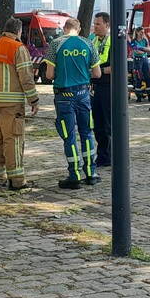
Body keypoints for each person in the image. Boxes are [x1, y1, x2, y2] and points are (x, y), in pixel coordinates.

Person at [0, 17, 39, 189]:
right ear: (19, 31)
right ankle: (17, 181)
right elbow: (26, 77)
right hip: (12, 104)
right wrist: (33, 99)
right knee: (13, 140)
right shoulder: (18, 48)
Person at [44, 18, 101, 190]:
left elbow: (49, 75)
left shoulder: (56, 44)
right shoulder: (88, 44)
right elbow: (97, 73)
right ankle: (91, 173)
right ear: (79, 28)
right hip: (83, 94)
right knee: (87, 133)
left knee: (69, 137)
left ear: (65, 29)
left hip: (64, 96)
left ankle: (74, 175)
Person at [89, 12, 112, 168]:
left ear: (107, 25)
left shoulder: (114, 42)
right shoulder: (93, 41)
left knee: (107, 124)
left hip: (108, 86)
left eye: (98, 24)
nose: (95, 27)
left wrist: (100, 72)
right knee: (97, 124)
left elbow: (117, 66)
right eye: (94, 23)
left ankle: (109, 155)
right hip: (94, 87)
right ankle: (102, 155)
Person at [129, 27, 150, 102]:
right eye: (141, 32)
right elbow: (136, 50)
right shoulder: (133, 41)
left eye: (143, 32)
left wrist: (141, 48)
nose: (143, 34)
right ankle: (138, 96)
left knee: (148, 77)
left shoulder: (145, 40)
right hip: (137, 60)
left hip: (145, 60)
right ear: (137, 33)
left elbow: (149, 49)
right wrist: (143, 50)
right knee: (138, 77)